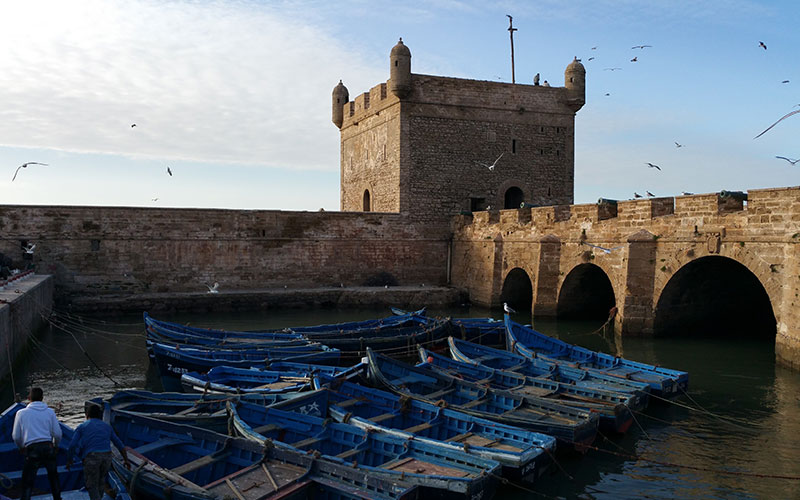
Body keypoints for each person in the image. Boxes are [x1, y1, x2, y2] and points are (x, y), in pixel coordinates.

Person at [66, 404, 130, 500]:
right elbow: (119, 444)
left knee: (92, 486)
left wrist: (70, 459)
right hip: (107, 457)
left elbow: (72, 445)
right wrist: (126, 460)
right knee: (101, 483)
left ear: (87, 415)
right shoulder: (107, 427)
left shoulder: (82, 426)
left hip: (92, 458)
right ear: (100, 415)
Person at [11, 387, 63, 500]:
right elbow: (58, 434)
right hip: (48, 447)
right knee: (53, 477)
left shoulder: (21, 413)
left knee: (28, 480)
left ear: (29, 398)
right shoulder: (50, 412)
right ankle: (57, 498)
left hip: (32, 449)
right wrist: (56, 445)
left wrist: (21, 447)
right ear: (42, 398)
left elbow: (16, 436)